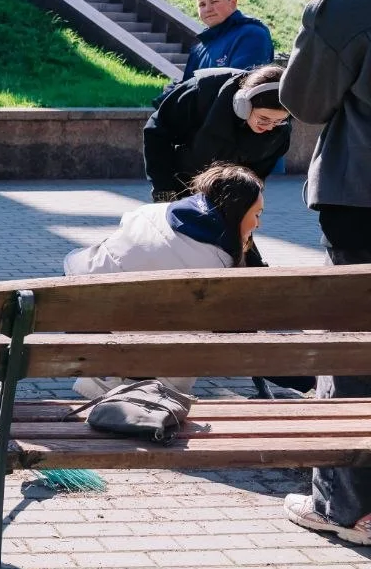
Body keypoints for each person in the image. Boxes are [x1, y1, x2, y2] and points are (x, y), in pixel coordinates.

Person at [278, 0, 371, 545]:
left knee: (353, 350)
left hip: (358, 195)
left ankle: (347, 507)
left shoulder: (343, 6)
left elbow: (303, 100)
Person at [64, 163, 264, 398]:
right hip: (154, 364)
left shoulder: (151, 212)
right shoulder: (218, 267)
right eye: (257, 214)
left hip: (85, 314)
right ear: (237, 212)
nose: (258, 224)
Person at [144, 63, 291, 203]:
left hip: (225, 192)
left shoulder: (281, 128)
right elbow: (157, 133)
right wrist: (163, 188)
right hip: (179, 180)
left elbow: (257, 173)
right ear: (243, 106)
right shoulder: (202, 91)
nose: (270, 127)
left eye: (278, 120)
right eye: (264, 119)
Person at [181, 0, 274, 81]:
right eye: (202, 4)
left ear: (233, 2)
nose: (208, 9)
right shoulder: (200, 47)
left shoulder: (252, 35)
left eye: (214, 1)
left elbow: (240, 83)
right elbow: (185, 84)